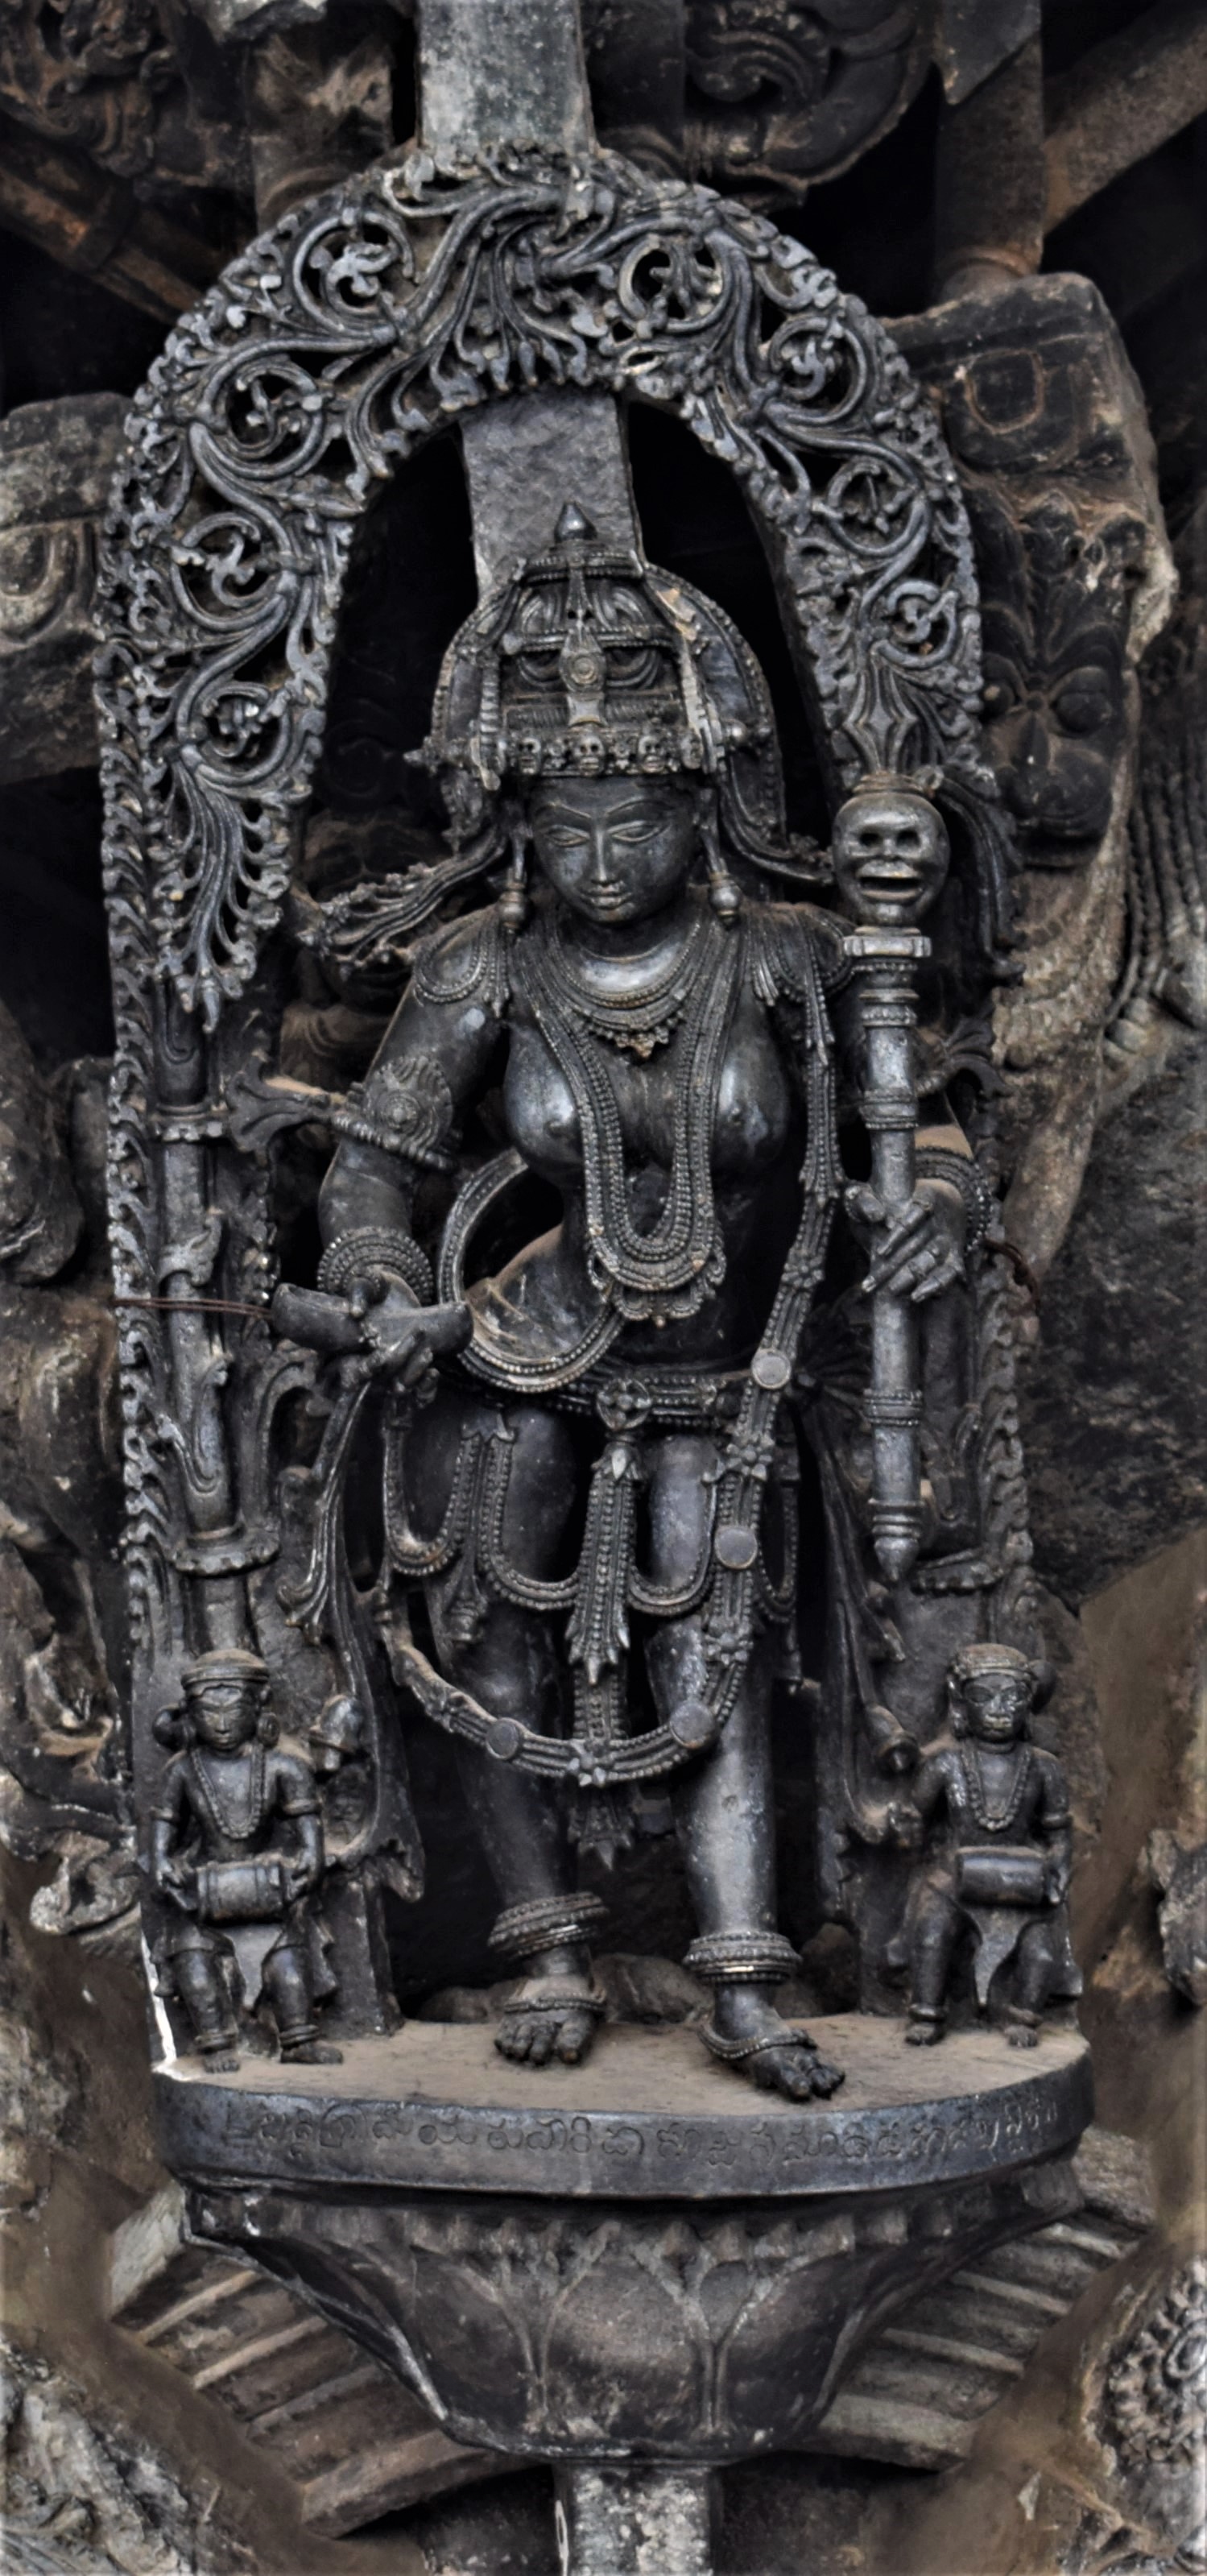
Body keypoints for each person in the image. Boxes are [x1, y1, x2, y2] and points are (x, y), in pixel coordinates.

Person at [306, 503, 976, 2099]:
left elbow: (921, 1118)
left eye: (634, 828)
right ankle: (542, 1947)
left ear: (703, 809)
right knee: (485, 1638)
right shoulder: (480, 967)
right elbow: (374, 1165)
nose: (602, 864)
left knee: (713, 1641)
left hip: (727, 1373)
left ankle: (740, 1971)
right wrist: (380, 1272)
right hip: (515, 1356)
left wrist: (936, 1202)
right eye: (568, 831)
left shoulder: (796, 960)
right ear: (517, 827)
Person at [149, 1648, 341, 2069]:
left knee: (289, 1969)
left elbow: (309, 1834)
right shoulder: (182, 1770)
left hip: (268, 1888)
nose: (221, 1724)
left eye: (233, 1712)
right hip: (204, 1891)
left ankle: (298, 2039)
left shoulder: (283, 1767)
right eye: (208, 1714)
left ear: (257, 1711)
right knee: (194, 1968)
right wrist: (162, 1863)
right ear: (191, 1717)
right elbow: (164, 1828)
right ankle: (216, 2043)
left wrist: (309, 1863)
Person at [891, 1642, 1079, 2047]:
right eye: (983, 1697)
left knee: (1041, 1954)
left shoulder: (1044, 1769)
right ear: (961, 1705)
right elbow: (915, 1821)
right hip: (953, 1878)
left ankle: (1024, 2017)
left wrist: (1057, 1874)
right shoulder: (945, 1764)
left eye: (1012, 1698)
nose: (999, 1710)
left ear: (1027, 1705)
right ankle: (927, 2012)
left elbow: (1059, 1834)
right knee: (932, 1933)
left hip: (1022, 1882)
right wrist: (907, 1829)